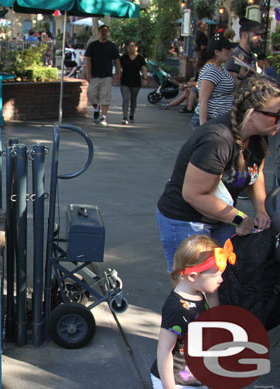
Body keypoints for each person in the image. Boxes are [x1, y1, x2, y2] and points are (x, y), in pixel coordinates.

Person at [156, 76, 279, 274]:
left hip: (218, 217)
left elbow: (256, 174)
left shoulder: (258, 136)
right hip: (186, 219)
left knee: (223, 278)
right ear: (251, 113)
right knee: (194, 283)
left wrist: (261, 210)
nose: (278, 121)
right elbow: (194, 194)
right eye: (276, 115)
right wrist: (238, 218)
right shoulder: (218, 139)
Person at [151, 234, 228, 389]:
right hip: (176, 383)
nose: (221, 279)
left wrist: (212, 291)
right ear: (193, 276)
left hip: (197, 379)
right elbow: (164, 350)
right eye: (217, 275)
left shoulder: (199, 293)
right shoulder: (177, 308)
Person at [190, 33, 236, 128]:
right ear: (217, 52)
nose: (230, 52)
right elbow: (203, 100)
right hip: (211, 120)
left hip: (219, 120)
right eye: (227, 49)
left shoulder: (220, 68)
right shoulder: (211, 70)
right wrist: (204, 127)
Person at [85, 24, 121, 126]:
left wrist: (118, 73)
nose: (104, 33)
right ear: (98, 33)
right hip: (95, 75)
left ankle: (103, 116)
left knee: (105, 96)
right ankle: (96, 108)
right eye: (102, 31)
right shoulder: (92, 45)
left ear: (108, 33)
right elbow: (88, 60)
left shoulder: (112, 46)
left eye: (106, 31)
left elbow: (117, 60)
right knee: (91, 94)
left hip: (107, 76)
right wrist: (88, 73)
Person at [225, 18, 264, 84]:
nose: (260, 39)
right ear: (244, 36)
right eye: (256, 35)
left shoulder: (252, 56)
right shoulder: (234, 57)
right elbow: (229, 86)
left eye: (261, 36)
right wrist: (239, 77)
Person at [119, 40, 147, 124]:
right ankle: (124, 117)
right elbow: (119, 67)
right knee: (125, 99)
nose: (131, 48)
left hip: (135, 81)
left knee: (133, 99)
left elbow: (144, 68)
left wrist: (145, 78)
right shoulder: (124, 57)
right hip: (125, 80)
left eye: (132, 46)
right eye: (129, 46)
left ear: (136, 48)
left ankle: (131, 115)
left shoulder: (140, 58)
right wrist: (118, 75)